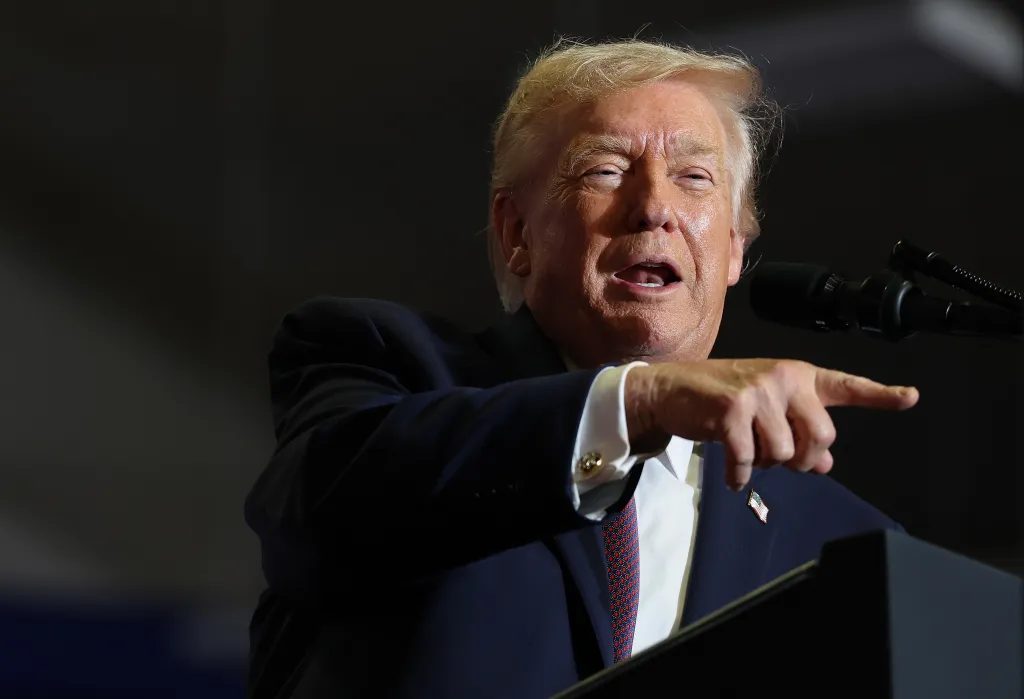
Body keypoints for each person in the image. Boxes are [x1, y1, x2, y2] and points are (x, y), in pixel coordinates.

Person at [244, 39, 919, 699]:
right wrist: (635, 402)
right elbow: (316, 515)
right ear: (517, 234)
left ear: (736, 248)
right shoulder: (387, 365)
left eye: (694, 177)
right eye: (605, 169)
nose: (654, 207)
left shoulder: (844, 545)